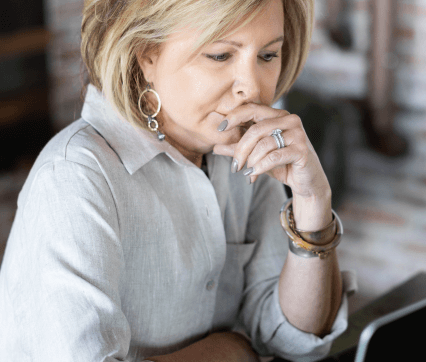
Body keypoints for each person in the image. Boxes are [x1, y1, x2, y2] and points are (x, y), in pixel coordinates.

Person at [0, 0, 356, 361]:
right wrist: (233, 352)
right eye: (219, 55)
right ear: (147, 54)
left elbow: (294, 339)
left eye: (267, 55)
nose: (252, 88)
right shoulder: (75, 178)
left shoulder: (239, 153)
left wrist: (313, 202)